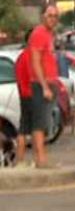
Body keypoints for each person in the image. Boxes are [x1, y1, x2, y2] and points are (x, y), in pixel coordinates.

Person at [26, 4, 60, 169]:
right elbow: (35, 62)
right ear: (42, 16)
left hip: (50, 83)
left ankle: (42, 157)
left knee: (46, 122)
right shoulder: (39, 34)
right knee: (39, 123)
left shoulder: (49, 35)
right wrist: (44, 86)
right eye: (50, 15)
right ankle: (40, 159)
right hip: (41, 85)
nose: (53, 19)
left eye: (55, 16)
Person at [14, 30, 34, 167]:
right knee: (35, 129)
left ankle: (21, 159)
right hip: (31, 95)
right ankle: (29, 160)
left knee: (25, 128)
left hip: (24, 94)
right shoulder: (30, 57)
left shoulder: (21, 57)